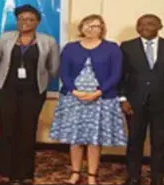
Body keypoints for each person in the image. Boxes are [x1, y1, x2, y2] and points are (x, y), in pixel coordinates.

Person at [49, 14, 126, 185]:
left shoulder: (112, 48)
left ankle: (92, 175)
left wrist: (98, 92)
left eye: (95, 26)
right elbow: (64, 71)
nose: (91, 29)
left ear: (102, 29)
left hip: (101, 99)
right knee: (75, 139)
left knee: (94, 140)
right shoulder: (70, 47)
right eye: (87, 25)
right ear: (81, 27)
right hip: (73, 98)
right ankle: (75, 173)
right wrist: (74, 91)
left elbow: (116, 74)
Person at [0, 4, 60, 185]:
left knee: (28, 131)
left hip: (33, 93)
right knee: (7, 130)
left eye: (30, 19)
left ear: (38, 22)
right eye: (21, 19)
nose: (25, 22)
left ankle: (25, 173)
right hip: (6, 91)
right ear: (17, 21)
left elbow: (53, 68)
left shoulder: (48, 41)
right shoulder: (5, 38)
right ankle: (5, 171)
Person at [119, 14, 164, 185]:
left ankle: (157, 177)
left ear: (160, 26)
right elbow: (121, 75)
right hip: (134, 103)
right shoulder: (127, 47)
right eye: (140, 24)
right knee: (134, 140)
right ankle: (134, 176)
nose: (144, 27)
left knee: (161, 142)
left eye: (150, 24)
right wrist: (122, 98)